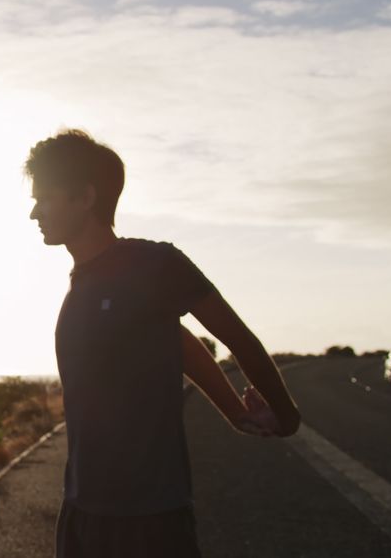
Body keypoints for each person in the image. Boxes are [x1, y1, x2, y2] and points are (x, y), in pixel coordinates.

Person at [25, 129, 300, 558]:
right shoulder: (81, 285)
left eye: (44, 198)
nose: (34, 213)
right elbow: (178, 340)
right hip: (81, 511)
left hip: (149, 519)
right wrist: (234, 412)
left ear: (85, 197)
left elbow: (239, 339)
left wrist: (286, 417)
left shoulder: (155, 263)